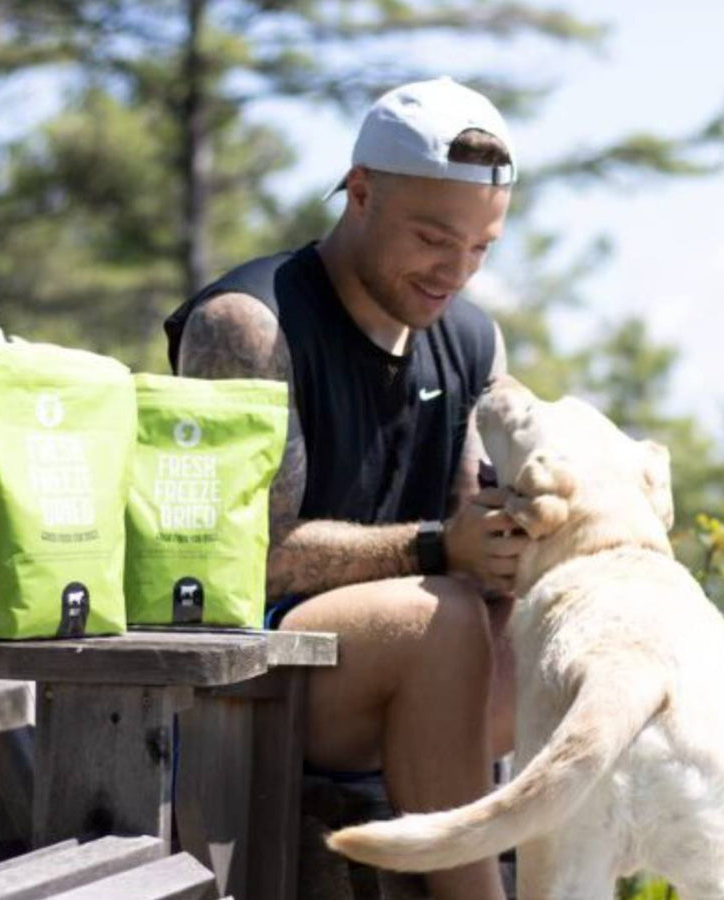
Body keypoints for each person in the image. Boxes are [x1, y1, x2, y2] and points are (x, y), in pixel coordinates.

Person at [163, 77, 522, 898]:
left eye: (480, 249)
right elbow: (237, 565)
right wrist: (438, 549)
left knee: (588, 618)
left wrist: (516, 541)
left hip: (420, 675)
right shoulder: (248, 326)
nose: (455, 271)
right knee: (444, 615)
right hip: (253, 686)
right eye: (434, 238)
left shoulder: (472, 340)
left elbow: (475, 524)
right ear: (360, 192)